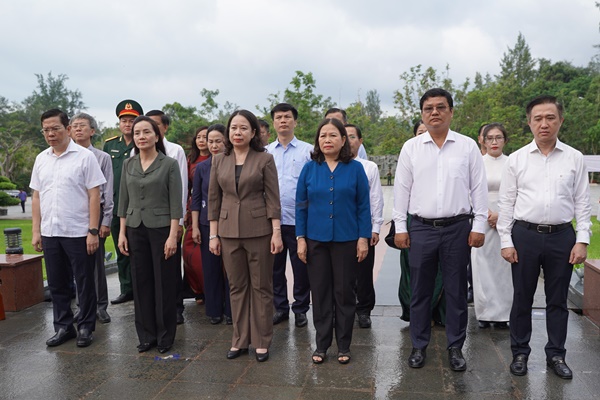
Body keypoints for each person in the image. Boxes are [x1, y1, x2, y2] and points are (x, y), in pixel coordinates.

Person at [497, 95, 592, 379]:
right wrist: (506, 240)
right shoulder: (516, 159)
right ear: (529, 123)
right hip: (524, 235)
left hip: (562, 236)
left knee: (558, 300)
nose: (544, 124)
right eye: (537, 118)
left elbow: (582, 202)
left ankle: (556, 355)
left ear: (560, 120)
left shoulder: (574, 158)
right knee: (522, 298)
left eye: (550, 117)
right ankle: (520, 353)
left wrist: (582, 239)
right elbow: (506, 203)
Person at [393, 88, 487, 371]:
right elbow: (401, 190)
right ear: (422, 113)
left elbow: (478, 189)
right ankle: (419, 345)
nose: (434, 112)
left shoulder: (467, 146)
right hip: (421, 227)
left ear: (451, 111)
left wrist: (479, 225)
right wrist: (400, 226)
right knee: (420, 290)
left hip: (458, 227)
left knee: (457, 289)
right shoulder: (411, 148)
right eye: (428, 108)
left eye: (441, 107)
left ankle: (455, 346)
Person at [208, 110, 283, 362]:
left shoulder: (265, 159)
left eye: (243, 128)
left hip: (259, 230)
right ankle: (239, 339)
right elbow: (214, 199)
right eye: (233, 128)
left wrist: (276, 232)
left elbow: (273, 199)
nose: (237, 132)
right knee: (237, 286)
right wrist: (213, 235)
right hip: (228, 232)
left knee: (261, 287)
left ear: (253, 133)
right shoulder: (219, 160)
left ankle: (262, 341)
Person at [296, 118, 371, 365]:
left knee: (344, 293)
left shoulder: (355, 168)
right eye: (322, 136)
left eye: (333, 136)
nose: (327, 140)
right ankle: (322, 344)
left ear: (343, 140)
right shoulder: (309, 168)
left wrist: (363, 238)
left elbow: (363, 205)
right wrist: (301, 239)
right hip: (315, 240)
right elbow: (301, 206)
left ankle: (344, 345)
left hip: (346, 239)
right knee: (320, 293)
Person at [31, 109, 106, 348]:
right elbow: (36, 196)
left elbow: (95, 195)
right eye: (46, 130)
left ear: (68, 129)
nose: (51, 134)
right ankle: (63, 327)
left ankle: (85, 325)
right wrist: (36, 230)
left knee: (84, 281)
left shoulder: (85, 157)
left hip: (78, 232)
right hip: (51, 231)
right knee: (56, 282)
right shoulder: (41, 158)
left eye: (56, 129)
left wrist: (93, 231)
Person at [117, 116, 183, 354]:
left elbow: (176, 203)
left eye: (146, 132)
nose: (141, 137)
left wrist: (172, 235)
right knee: (141, 282)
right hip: (135, 228)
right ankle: (146, 335)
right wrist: (122, 233)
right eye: (137, 133)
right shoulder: (128, 164)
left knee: (164, 282)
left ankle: (165, 336)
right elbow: (123, 200)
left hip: (161, 228)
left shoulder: (169, 164)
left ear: (157, 135)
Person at [266, 103, 313, 328]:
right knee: (274, 268)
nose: (283, 121)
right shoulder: (265, 152)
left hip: (299, 222)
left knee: (301, 267)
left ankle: (301, 308)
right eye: (278, 117)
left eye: (287, 117)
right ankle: (280, 307)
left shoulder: (308, 151)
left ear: (295, 121)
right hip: (272, 221)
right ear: (273, 122)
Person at [397, 120, 446, 326]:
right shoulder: (410, 154)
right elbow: (401, 190)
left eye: (427, 131)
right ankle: (415, 313)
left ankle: (439, 313)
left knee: (441, 270)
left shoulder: (446, 156)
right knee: (413, 269)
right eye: (420, 132)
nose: (424, 135)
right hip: (415, 220)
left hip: (445, 223)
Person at [145, 110, 189, 325]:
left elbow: (180, 187)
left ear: (164, 127)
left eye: (154, 125)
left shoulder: (175, 151)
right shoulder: (138, 150)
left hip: (169, 220)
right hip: (145, 221)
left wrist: (179, 222)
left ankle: (176, 308)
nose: (149, 129)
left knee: (170, 266)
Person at [70, 112, 114, 324]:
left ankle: (100, 306)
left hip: (95, 218)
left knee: (96, 264)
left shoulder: (102, 157)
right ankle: (82, 306)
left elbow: (108, 190)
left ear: (92, 131)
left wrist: (106, 221)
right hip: (74, 218)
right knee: (78, 265)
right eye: (74, 126)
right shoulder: (65, 156)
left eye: (82, 126)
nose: (78, 129)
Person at [471, 123, 512, 329]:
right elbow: (469, 189)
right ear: (483, 141)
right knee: (482, 266)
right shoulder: (477, 162)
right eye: (490, 138)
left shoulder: (513, 162)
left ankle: (504, 313)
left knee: (504, 268)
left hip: (508, 218)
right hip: (482, 218)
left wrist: (501, 215)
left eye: (498, 138)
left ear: (505, 140)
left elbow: (519, 192)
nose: (494, 142)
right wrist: (486, 213)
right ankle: (485, 313)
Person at [103, 99, 144, 305]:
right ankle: (126, 288)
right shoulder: (110, 145)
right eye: (124, 120)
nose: (128, 124)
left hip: (139, 206)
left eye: (132, 120)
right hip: (117, 205)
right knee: (122, 250)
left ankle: (143, 289)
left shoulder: (144, 142)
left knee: (140, 249)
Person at [191, 124, 232, 325]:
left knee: (232, 269)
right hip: (207, 223)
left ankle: (232, 311)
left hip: (232, 222)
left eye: (218, 140)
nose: (214, 145)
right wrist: (196, 226)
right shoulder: (201, 167)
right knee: (211, 268)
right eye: (210, 141)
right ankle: (214, 310)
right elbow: (196, 198)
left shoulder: (234, 163)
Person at [345, 124, 383, 328]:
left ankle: (364, 310)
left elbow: (376, 199)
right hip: (340, 228)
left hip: (363, 227)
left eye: (353, 136)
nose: (349, 140)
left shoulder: (369, 167)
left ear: (360, 141)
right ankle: (342, 309)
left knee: (364, 271)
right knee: (341, 272)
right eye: (345, 136)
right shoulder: (330, 165)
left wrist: (375, 227)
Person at [183, 126, 209, 304]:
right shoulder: (190, 159)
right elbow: (185, 187)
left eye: (205, 137)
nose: (201, 140)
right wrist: (186, 209)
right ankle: (197, 289)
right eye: (198, 137)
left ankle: (210, 290)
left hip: (211, 210)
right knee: (189, 250)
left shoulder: (219, 158)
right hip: (194, 210)